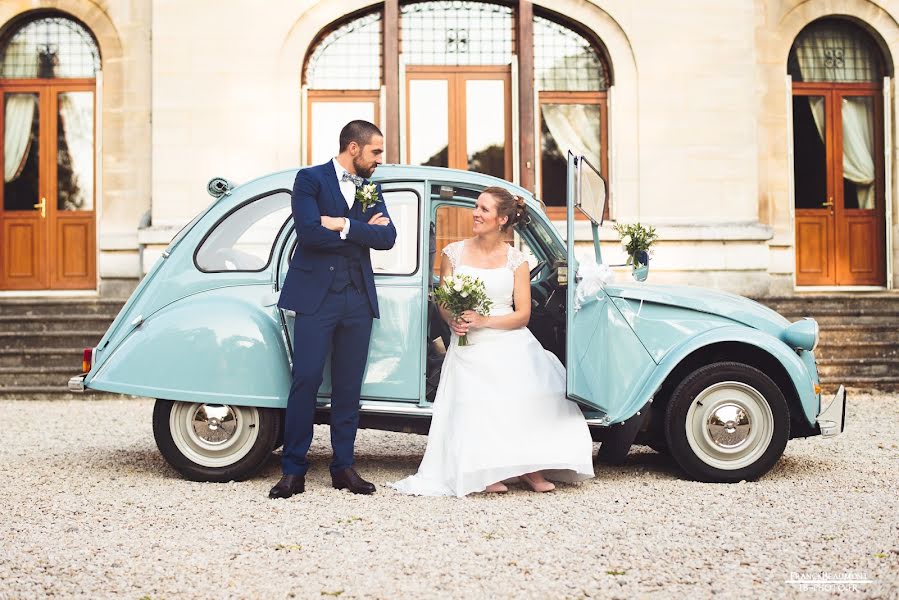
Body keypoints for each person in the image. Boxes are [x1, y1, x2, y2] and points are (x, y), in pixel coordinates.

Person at [391, 186, 594, 497]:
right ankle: (485, 468)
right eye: (476, 207)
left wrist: (485, 320)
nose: (476, 213)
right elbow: (444, 301)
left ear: (501, 219)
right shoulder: (453, 253)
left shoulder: (517, 260)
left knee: (530, 386)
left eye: (484, 209)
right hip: (469, 342)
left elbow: (523, 315)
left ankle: (529, 467)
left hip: (508, 334)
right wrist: (453, 319)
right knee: (477, 389)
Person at [270, 120, 397, 499]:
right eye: (375, 151)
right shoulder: (309, 179)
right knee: (305, 381)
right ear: (354, 148)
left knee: (348, 388)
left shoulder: (371, 185)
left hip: (358, 299)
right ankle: (293, 470)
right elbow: (308, 232)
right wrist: (360, 230)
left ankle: (343, 467)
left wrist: (341, 224)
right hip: (315, 298)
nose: (379, 159)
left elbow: (388, 238)